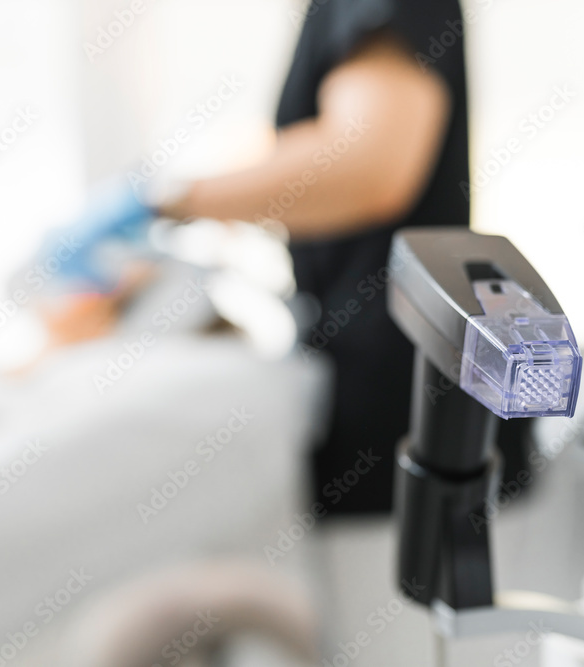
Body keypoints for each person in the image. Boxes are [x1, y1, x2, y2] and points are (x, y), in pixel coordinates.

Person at [49, 0, 471, 516]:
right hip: (366, 382)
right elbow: (322, 152)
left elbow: (367, 165)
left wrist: (169, 201)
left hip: (400, 406)